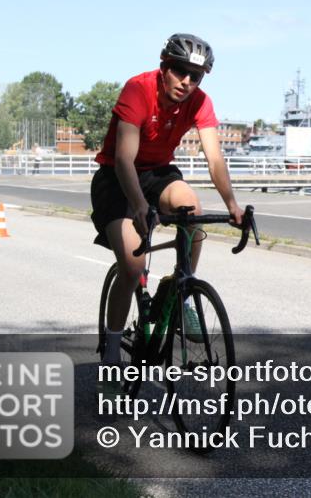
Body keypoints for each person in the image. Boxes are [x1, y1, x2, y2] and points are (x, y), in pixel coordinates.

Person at [91, 33, 244, 372]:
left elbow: (215, 159)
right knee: (132, 267)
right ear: (164, 67)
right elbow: (123, 159)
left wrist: (232, 204)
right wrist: (141, 207)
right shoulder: (138, 89)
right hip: (117, 178)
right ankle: (113, 356)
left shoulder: (200, 102)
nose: (187, 81)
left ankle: (181, 290)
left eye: (196, 75)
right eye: (179, 70)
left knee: (192, 210)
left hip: (158, 173)